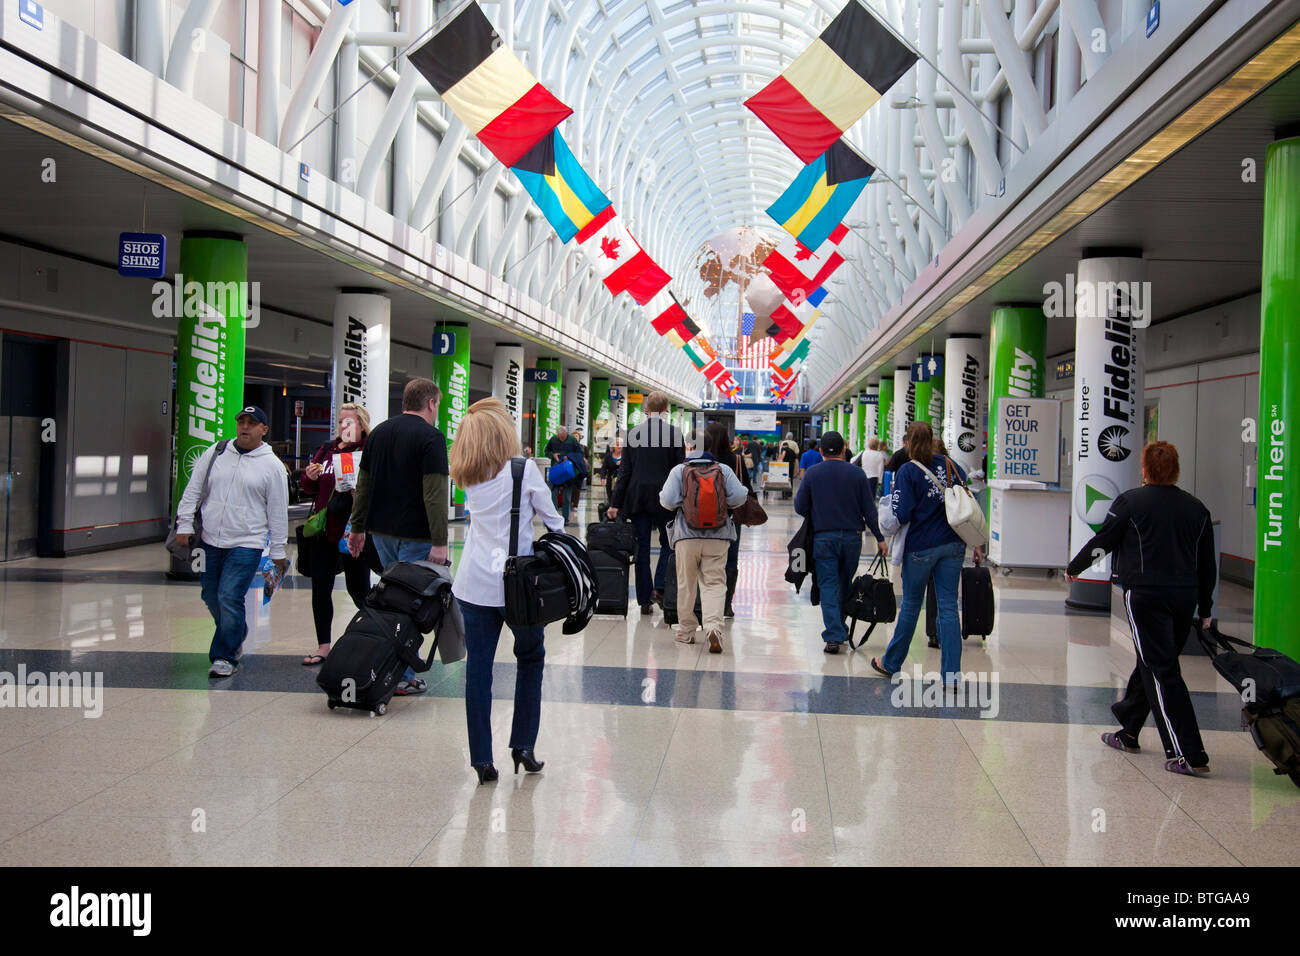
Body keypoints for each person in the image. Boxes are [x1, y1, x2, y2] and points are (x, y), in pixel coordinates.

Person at [1067, 441, 1217, 777]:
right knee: (1155, 659)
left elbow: (1103, 541)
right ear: (1176, 469)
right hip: (1184, 597)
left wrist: (1075, 567)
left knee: (1162, 668)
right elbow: (1208, 565)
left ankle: (1188, 753)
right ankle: (1129, 730)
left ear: (1145, 470)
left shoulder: (1130, 502)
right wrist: (1205, 608)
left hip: (1144, 596)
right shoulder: (1197, 509)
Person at [450, 398, 564, 785]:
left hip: (473, 584)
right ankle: (523, 746)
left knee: (478, 669)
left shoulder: (465, 472)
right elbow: (554, 522)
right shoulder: (524, 470)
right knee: (530, 658)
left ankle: (482, 759)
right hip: (518, 588)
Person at [347, 378, 449, 697]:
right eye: (438, 405)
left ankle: (391, 665)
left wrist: (357, 527)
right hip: (416, 535)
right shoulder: (431, 437)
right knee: (410, 606)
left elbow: (363, 486)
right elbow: (434, 494)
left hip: (381, 533)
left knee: (392, 601)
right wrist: (440, 540)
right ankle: (401, 673)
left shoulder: (378, 433)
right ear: (431, 403)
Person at [174, 406, 289, 678]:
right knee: (211, 596)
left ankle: (225, 656)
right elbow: (193, 489)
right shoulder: (216, 452)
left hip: (247, 542)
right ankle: (235, 630)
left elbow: (277, 510)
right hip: (211, 540)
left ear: (264, 429)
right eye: (241, 422)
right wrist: (184, 523)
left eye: (252, 423)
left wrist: (278, 550)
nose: (245, 427)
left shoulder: (272, 466)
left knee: (229, 596)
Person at [872, 422, 974, 684]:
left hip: (921, 548)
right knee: (949, 607)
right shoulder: (953, 466)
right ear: (932, 440)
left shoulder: (908, 470)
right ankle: (951, 676)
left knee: (911, 606)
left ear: (908, 443)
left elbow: (902, 512)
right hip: (954, 544)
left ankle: (891, 663)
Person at [299, 403, 380, 666]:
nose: (344, 427)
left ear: (361, 424)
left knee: (359, 589)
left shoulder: (369, 450)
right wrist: (310, 476)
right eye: (341, 422)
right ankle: (323, 644)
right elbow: (310, 488)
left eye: (350, 422)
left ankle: (376, 638)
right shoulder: (327, 450)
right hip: (325, 530)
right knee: (320, 587)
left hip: (354, 532)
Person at [794, 430, 887, 654]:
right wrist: (880, 538)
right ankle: (839, 627)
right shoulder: (857, 474)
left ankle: (834, 635)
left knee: (828, 584)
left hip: (824, 538)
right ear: (844, 450)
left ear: (820, 451)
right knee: (844, 583)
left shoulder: (813, 474)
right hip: (853, 538)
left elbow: (799, 506)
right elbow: (869, 510)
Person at [659, 422, 749, 653]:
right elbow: (740, 498)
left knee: (686, 583)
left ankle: (687, 632)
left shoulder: (679, 470)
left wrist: (685, 502)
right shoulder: (723, 470)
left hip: (686, 536)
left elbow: (667, 501)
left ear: (690, 447)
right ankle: (713, 627)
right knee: (714, 582)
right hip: (718, 536)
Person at [608, 392, 685, 614]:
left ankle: (643, 600)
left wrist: (615, 503)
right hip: (666, 499)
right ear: (666, 410)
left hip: (638, 498)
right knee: (668, 543)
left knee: (641, 547)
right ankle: (659, 588)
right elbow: (679, 471)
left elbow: (625, 473)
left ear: (646, 409)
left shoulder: (632, 434)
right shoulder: (675, 434)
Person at [708, 424, 751, 618]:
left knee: (707, 558)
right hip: (732, 518)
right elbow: (747, 488)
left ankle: (706, 602)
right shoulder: (737, 460)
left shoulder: (703, 460)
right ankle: (726, 604)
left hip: (704, 517)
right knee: (731, 559)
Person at [543, 425, 580, 523]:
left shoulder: (572, 440)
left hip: (568, 471)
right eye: (559, 437)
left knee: (567, 497)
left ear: (566, 434)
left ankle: (565, 518)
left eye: (563, 437)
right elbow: (546, 451)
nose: (561, 439)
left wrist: (569, 457)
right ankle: (554, 517)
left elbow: (579, 453)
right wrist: (552, 455)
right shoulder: (553, 439)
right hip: (556, 470)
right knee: (553, 494)